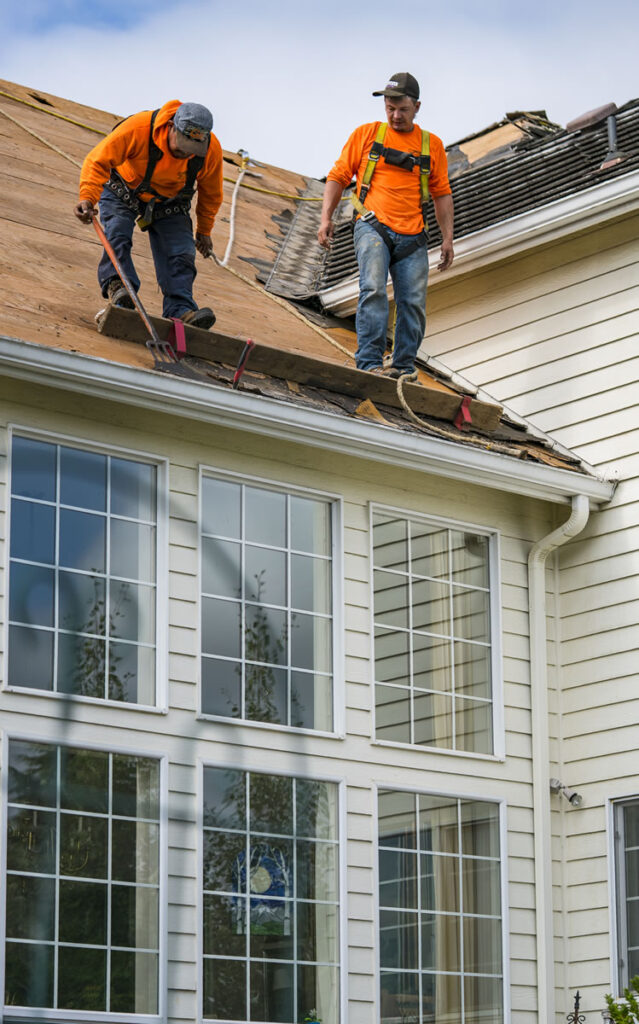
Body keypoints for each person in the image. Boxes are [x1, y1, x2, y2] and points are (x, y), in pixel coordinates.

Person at [318, 73, 454, 376]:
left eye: (402, 109)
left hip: (414, 236)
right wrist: (326, 218)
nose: (395, 115)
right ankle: (369, 364)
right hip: (372, 225)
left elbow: (442, 193)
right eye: (389, 108)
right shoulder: (367, 135)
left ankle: (403, 368)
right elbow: (338, 177)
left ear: (417, 107)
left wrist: (447, 239)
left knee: (413, 303)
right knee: (373, 290)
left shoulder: (432, 145)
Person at [75, 100, 223, 329]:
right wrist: (87, 196)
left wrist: (204, 230)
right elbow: (98, 161)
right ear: (171, 126)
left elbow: (211, 193)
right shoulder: (139, 129)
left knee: (182, 252)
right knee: (118, 233)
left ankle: (180, 310)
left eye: (193, 149)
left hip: (169, 202)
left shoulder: (210, 150)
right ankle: (119, 288)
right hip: (123, 189)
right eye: (182, 145)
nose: (186, 153)